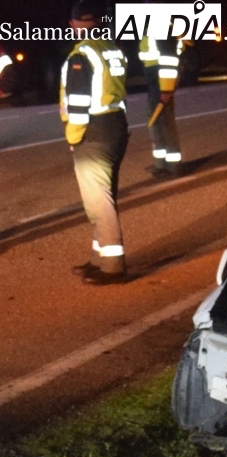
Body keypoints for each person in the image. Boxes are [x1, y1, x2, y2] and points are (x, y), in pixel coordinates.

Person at [60, 1, 130, 285]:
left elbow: (77, 105)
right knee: (105, 196)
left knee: (99, 203)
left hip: (94, 131)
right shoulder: (110, 48)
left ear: (74, 24)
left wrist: (74, 138)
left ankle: (113, 267)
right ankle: (97, 258)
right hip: (116, 126)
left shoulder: (81, 56)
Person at [139, 30, 182, 178]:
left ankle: (173, 166)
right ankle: (162, 164)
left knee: (164, 123)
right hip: (155, 78)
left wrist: (166, 89)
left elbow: (169, 59)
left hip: (161, 80)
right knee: (156, 123)